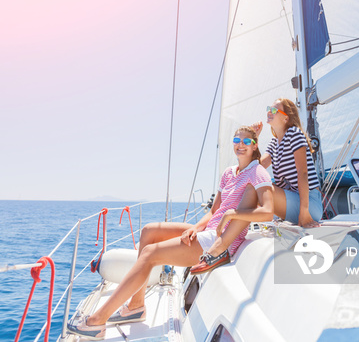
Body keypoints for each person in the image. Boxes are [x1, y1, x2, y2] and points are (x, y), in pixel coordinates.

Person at [68, 126, 273, 339]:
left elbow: (267, 213)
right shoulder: (229, 173)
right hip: (210, 229)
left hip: (221, 240)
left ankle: (97, 321)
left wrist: (232, 214)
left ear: (255, 145)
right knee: (149, 232)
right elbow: (214, 212)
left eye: (246, 142)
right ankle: (136, 306)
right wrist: (194, 228)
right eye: (236, 140)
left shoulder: (257, 172)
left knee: (149, 254)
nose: (240, 145)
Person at [254, 98, 322, 228]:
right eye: (269, 109)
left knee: (260, 186)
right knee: (253, 181)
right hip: (292, 200)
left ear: (286, 118)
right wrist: (255, 138)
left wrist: (304, 212)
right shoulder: (274, 143)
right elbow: (257, 168)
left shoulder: (294, 134)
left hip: (309, 204)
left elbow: (302, 173)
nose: (269, 112)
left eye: (274, 110)